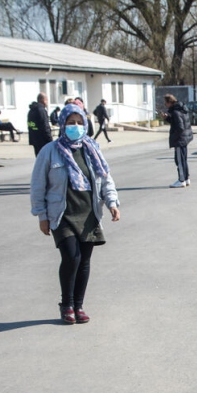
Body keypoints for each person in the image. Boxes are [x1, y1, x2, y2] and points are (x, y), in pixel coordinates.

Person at [30, 103, 120, 325]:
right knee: (72, 257)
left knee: (85, 261)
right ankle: (66, 304)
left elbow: (105, 178)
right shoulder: (49, 151)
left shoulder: (92, 149)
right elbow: (38, 185)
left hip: (89, 213)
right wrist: (41, 215)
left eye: (80, 123)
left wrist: (112, 201)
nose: (76, 127)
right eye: (71, 123)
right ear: (62, 125)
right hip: (62, 215)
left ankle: (79, 306)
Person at [162, 94, 193, 188]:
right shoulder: (181, 109)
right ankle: (186, 179)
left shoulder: (175, 111)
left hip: (180, 139)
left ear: (170, 102)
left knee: (179, 160)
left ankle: (181, 180)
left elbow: (180, 127)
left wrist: (174, 138)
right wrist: (167, 118)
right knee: (183, 160)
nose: (165, 105)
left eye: (166, 103)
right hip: (184, 138)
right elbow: (177, 122)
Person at [28, 93, 54, 157]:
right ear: (43, 100)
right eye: (47, 100)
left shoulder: (31, 110)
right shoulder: (41, 110)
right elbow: (45, 126)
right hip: (43, 141)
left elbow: (30, 125)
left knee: (39, 160)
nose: (47, 102)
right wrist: (50, 140)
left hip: (34, 140)